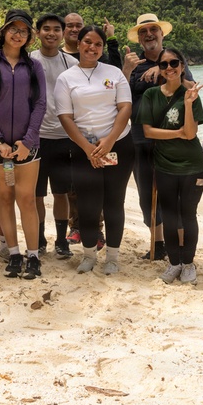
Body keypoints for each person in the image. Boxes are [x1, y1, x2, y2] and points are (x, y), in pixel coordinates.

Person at [55, 25, 135, 275]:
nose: (93, 48)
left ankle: (112, 256)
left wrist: (109, 141)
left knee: (114, 203)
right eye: (88, 42)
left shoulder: (114, 73)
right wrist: (88, 148)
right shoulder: (66, 78)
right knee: (88, 205)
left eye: (98, 44)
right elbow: (65, 117)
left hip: (118, 145)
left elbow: (125, 108)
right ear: (78, 44)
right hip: (83, 149)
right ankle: (88, 254)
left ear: (103, 48)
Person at [0, 9, 47, 279]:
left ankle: (33, 255)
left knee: (27, 199)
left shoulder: (34, 67)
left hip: (28, 147)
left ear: (29, 37)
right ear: (3, 31)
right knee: (4, 198)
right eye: (13, 29)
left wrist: (28, 140)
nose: (18, 34)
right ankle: (14, 254)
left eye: (24, 31)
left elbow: (40, 104)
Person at [123, 13, 190, 260]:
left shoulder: (175, 61)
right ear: (139, 38)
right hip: (140, 139)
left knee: (175, 194)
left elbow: (189, 89)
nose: (149, 34)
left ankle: (181, 245)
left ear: (162, 34)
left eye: (153, 30)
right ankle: (158, 243)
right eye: (143, 32)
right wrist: (127, 70)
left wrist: (163, 70)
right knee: (145, 196)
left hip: (173, 139)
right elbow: (119, 97)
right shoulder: (132, 63)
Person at [138, 48, 203, 284]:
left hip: (192, 165)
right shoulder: (151, 95)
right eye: (164, 64)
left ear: (182, 65)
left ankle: (188, 263)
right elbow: (147, 131)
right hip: (164, 164)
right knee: (169, 215)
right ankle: (174, 263)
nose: (169, 68)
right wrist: (177, 132)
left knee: (188, 215)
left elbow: (191, 133)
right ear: (159, 68)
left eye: (174, 63)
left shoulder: (191, 92)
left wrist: (188, 104)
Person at [60, 12, 121, 244]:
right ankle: (76, 227)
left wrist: (112, 39)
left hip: (103, 136)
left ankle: (97, 230)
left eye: (79, 25)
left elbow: (114, 71)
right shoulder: (59, 57)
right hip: (71, 133)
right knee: (75, 186)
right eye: (70, 26)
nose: (75, 29)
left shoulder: (98, 58)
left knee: (101, 185)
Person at [30, 13, 77, 259]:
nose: (51, 33)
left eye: (56, 29)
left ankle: (61, 240)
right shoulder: (28, 60)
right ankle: (38, 240)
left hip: (63, 137)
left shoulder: (70, 62)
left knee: (61, 192)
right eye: (46, 29)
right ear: (37, 33)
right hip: (35, 139)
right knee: (37, 194)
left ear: (62, 33)